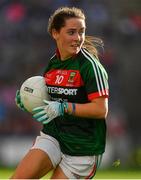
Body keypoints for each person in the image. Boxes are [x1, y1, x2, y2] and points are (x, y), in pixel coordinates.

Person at [11, 6, 109, 179]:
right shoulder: (53, 63)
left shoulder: (90, 67)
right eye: (71, 32)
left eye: (82, 32)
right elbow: (48, 101)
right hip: (54, 136)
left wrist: (64, 107)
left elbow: (101, 110)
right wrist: (27, 102)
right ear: (55, 33)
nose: (78, 38)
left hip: (83, 148)